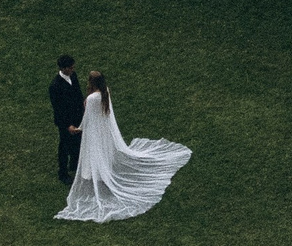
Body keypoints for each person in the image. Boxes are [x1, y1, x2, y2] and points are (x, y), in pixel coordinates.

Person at [57, 71, 193, 223]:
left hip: (95, 130)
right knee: (103, 149)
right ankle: (102, 170)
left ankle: (97, 173)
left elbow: (88, 118)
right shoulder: (105, 91)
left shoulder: (92, 98)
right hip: (104, 129)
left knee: (95, 150)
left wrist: (78, 128)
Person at [49, 55, 83, 185]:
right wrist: (67, 125)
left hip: (77, 117)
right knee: (64, 146)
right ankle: (62, 173)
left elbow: (78, 94)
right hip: (65, 122)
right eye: (71, 68)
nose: (73, 70)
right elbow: (58, 109)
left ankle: (74, 164)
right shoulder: (55, 86)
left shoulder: (73, 76)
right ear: (63, 68)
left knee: (77, 142)